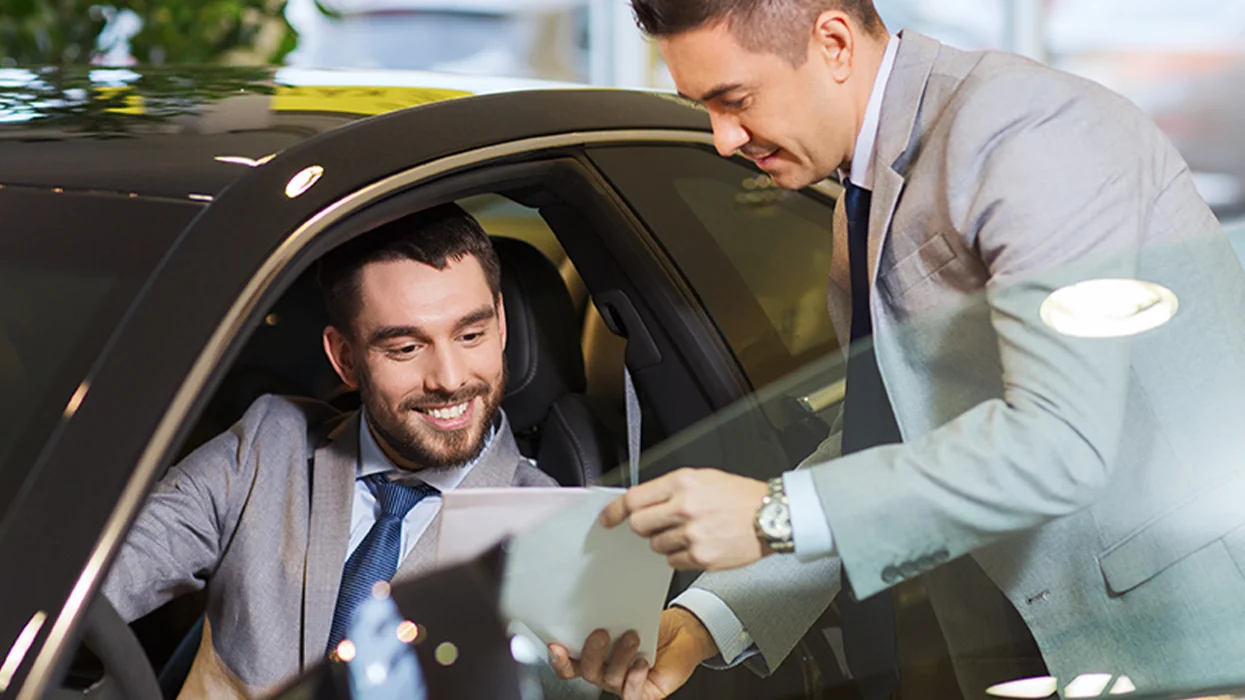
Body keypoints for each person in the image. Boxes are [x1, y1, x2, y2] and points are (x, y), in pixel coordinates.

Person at [549, 1, 1245, 699]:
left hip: (1184, 638)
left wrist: (772, 517)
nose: (722, 138)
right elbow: (881, 429)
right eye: (702, 105)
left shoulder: (1026, 130)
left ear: (832, 43)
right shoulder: (869, 180)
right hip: (1022, 643)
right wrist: (704, 622)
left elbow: (1059, 440)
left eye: (735, 100)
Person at [103, 204, 558, 699]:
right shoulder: (267, 443)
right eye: (406, 348)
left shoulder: (551, 532)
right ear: (344, 357)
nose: (450, 379)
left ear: (502, 326)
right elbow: (96, 576)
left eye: (471, 336)